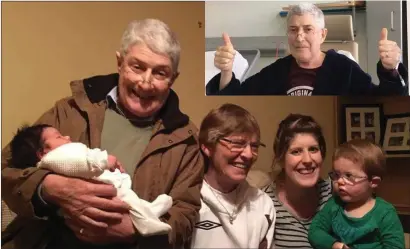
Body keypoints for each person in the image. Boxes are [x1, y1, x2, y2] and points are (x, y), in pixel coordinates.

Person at [1, 18, 204, 249]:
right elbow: (5, 169)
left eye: (160, 73)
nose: (146, 83)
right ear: (120, 62)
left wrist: (136, 231)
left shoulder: (186, 140)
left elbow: (186, 215)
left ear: (173, 79)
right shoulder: (70, 111)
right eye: (137, 67)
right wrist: (48, 187)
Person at [206, 3, 408, 96]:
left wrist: (390, 70)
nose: (299, 37)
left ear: (323, 34)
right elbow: (237, 101)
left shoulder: (343, 68)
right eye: (293, 30)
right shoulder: (276, 71)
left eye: (308, 29)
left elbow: (384, 99)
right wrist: (226, 71)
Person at [8, 124, 173, 236]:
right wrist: (103, 160)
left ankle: (150, 211)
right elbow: (79, 163)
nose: (66, 136)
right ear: (42, 152)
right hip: (103, 192)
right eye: (58, 136)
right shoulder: (55, 157)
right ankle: (145, 222)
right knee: (127, 201)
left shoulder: (56, 155)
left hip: (103, 189)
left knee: (130, 199)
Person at [190, 104, 275, 249]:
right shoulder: (188, 200)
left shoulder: (263, 204)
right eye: (237, 143)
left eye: (254, 146)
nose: (249, 154)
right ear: (207, 147)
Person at [308, 139, 405, 249]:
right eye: (336, 174)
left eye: (349, 176)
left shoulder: (385, 213)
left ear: (373, 182)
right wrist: (334, 245)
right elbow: (315, 231)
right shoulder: (334, 205)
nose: (339, 181)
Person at [262, 113, 333, 248]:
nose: (307, 160)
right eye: (296, 151)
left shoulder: (337, 194)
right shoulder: (264, 205)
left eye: (313, 149)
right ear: (281, 159)